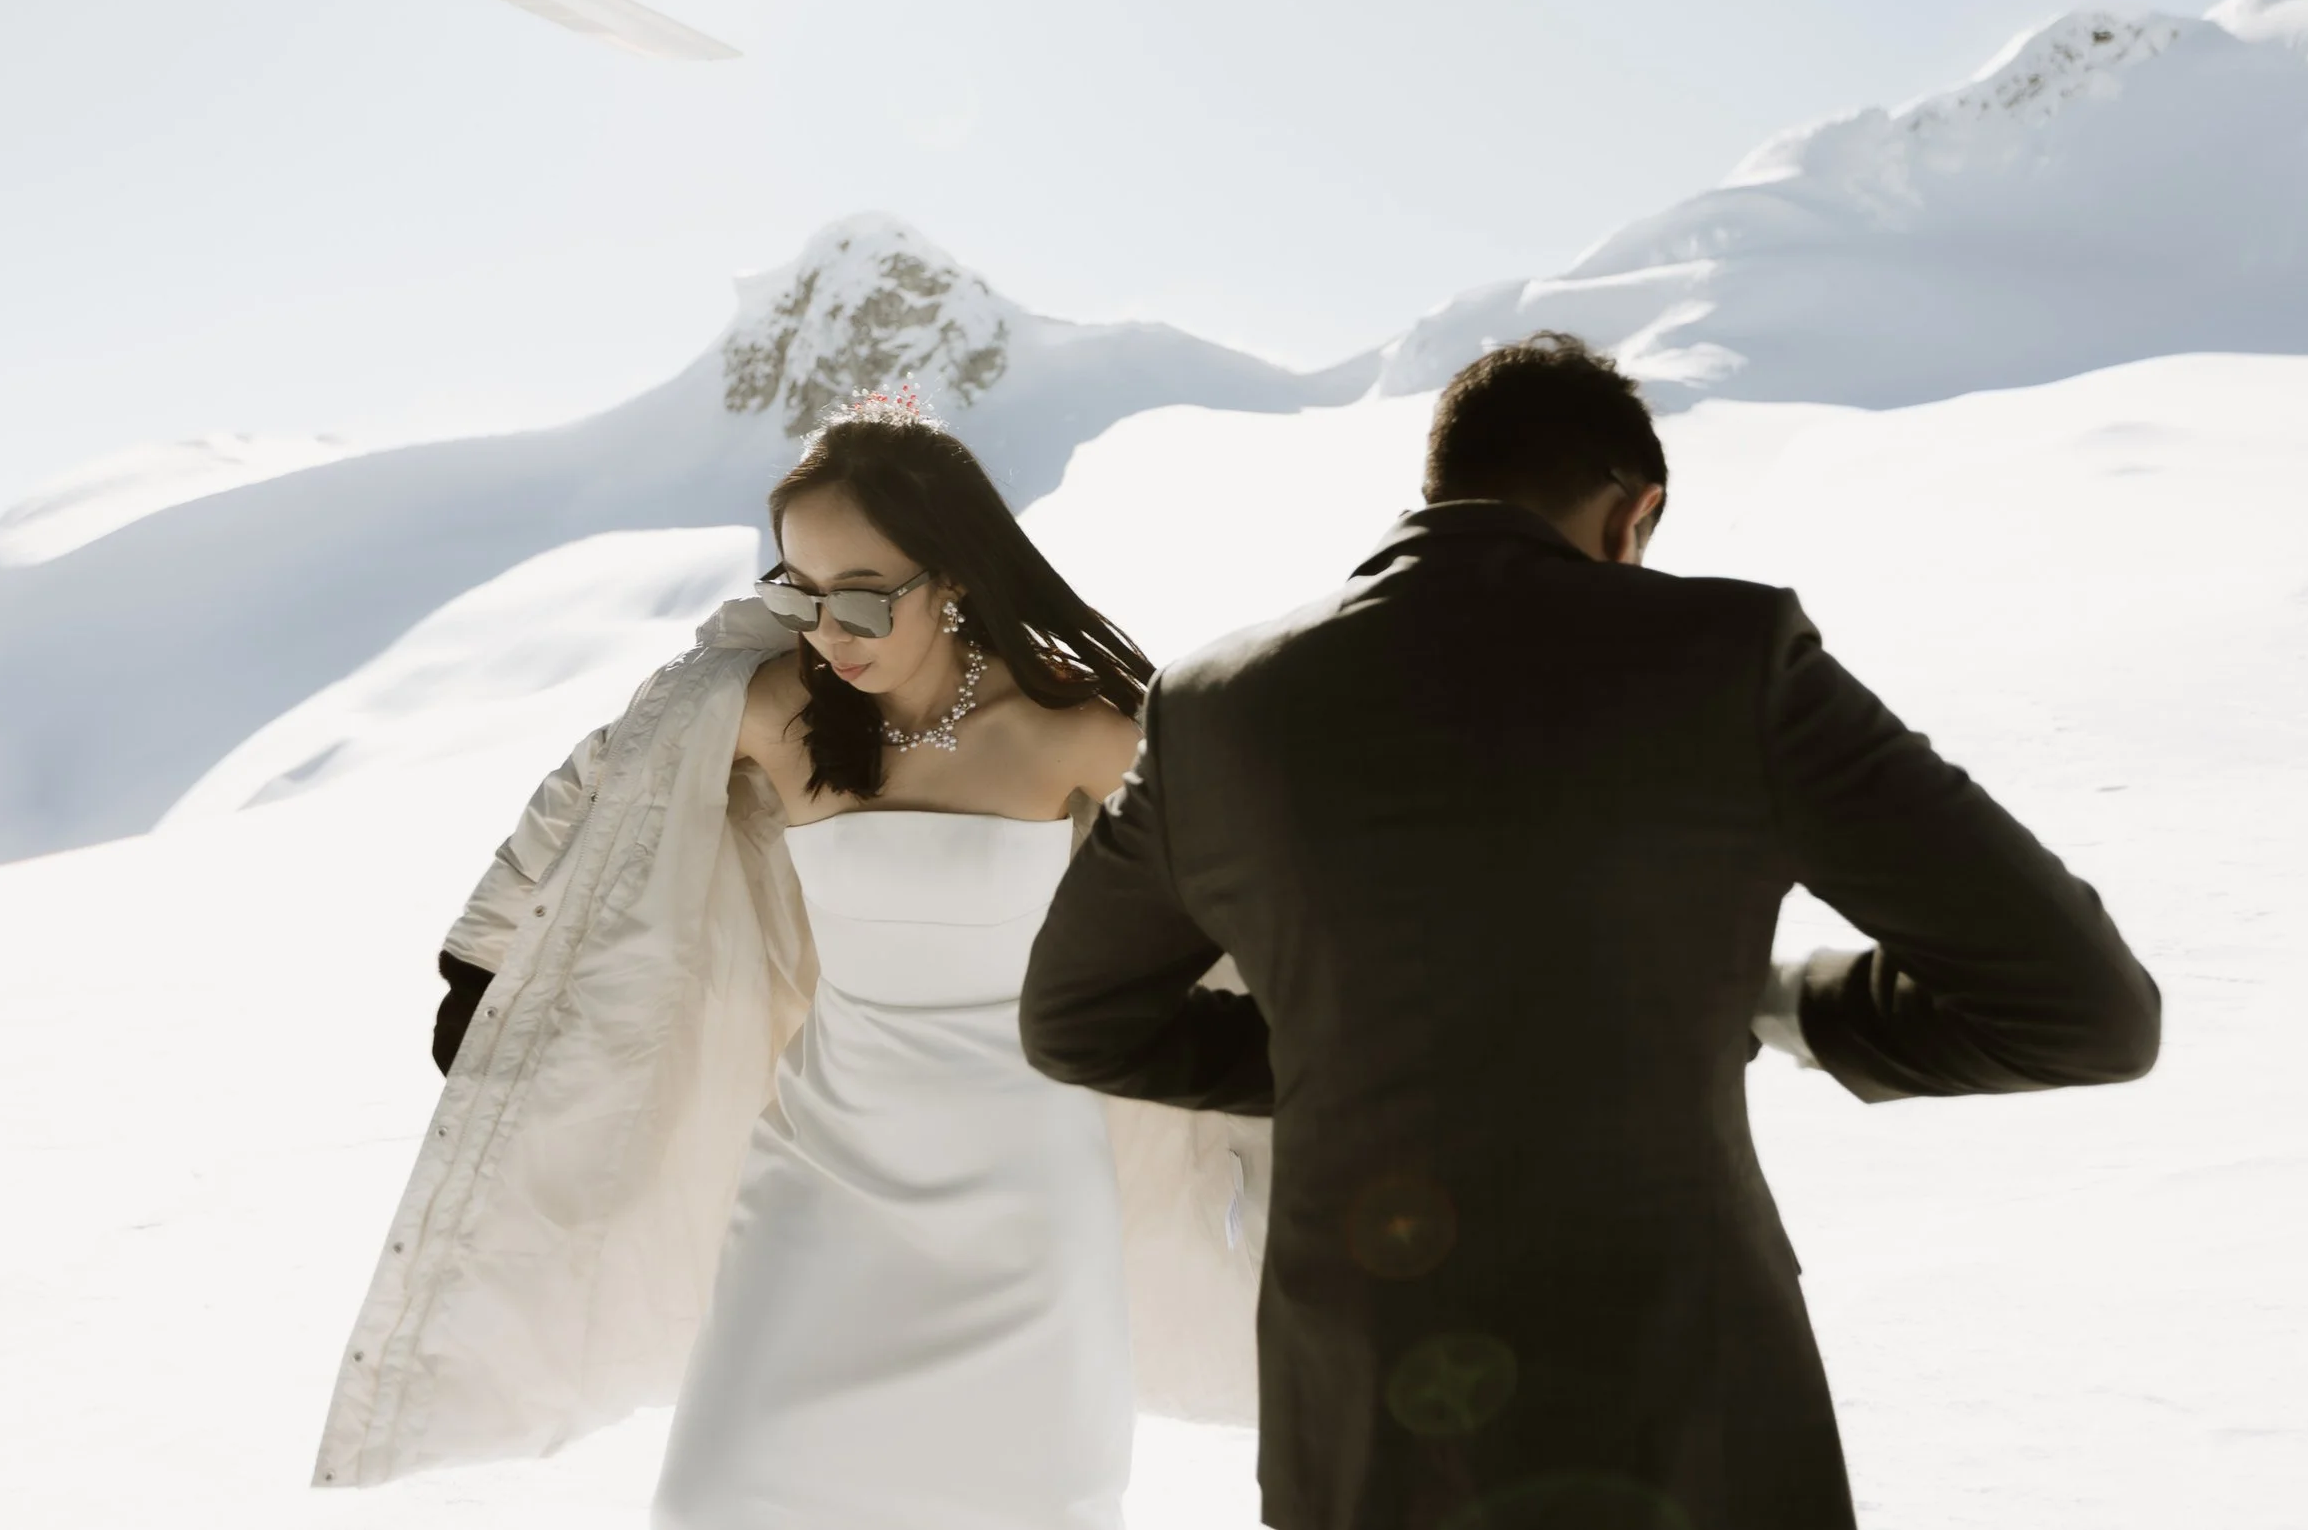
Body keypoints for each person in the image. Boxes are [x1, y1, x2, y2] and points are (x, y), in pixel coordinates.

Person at [1019, 332, 2164, 1530]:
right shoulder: (1736, 661)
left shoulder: (1215, 707)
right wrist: (1787, 1001)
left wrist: (1337, 1049)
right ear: (1633, 513)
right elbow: (2085, 1007)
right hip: (1689, 1407)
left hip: (1366, 1430)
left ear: (1434, 493)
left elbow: (1076, 1019)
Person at [312, 391, 1269, 1526]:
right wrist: (482, 962)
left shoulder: (1080, 727)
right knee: (725, 1497)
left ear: (953, 575)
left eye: (862, 597)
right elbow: (601, 794)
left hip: (1028, 1205)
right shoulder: (775, 710)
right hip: (820, 1179)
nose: (828, 632)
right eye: (797, 592)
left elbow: (1244, 895)